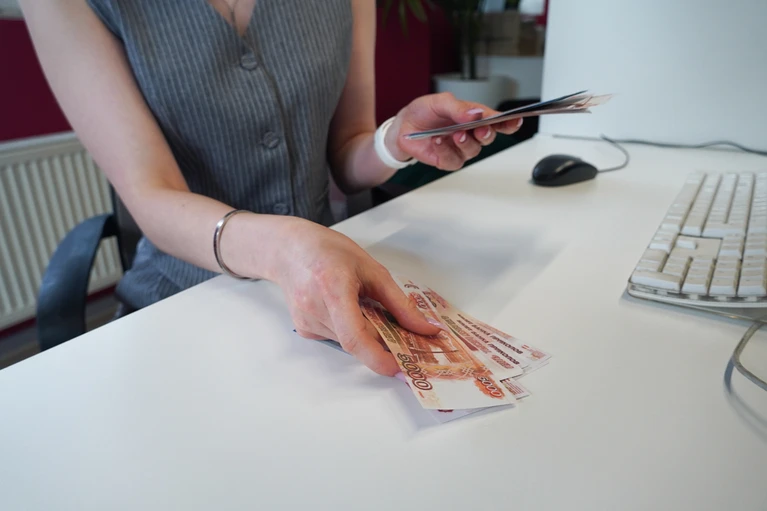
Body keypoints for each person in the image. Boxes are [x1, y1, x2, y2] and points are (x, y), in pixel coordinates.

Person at [20, 0, 521, 376]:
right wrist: (285, 249)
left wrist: (395, 140)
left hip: (331, 288)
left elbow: (347, 153)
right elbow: (151, 195)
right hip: (184, 301)